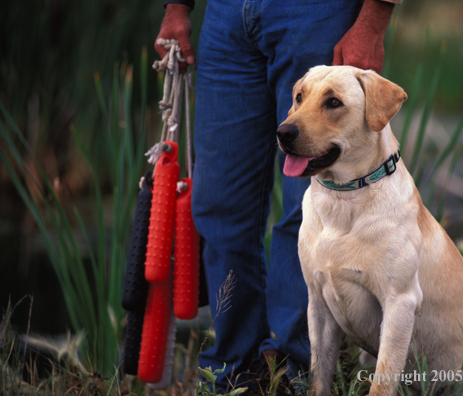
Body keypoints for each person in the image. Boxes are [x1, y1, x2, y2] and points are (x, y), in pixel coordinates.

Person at [155, 0, 402, 392]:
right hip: (225, 17)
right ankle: (234, 372)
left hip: (318, 13)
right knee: (218, 205)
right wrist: (176, 6)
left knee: (309, 207)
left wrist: (374, 18)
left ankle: (294, 373)